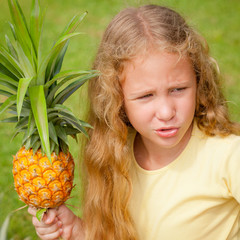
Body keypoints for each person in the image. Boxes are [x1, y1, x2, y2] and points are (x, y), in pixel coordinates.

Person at [28, 4, 240, 240]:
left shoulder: (229, 156)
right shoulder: (117, 154)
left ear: (198, 81)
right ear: (116, 99)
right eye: (146, 96)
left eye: (178, 89)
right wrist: (79, 231)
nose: (166, 111)